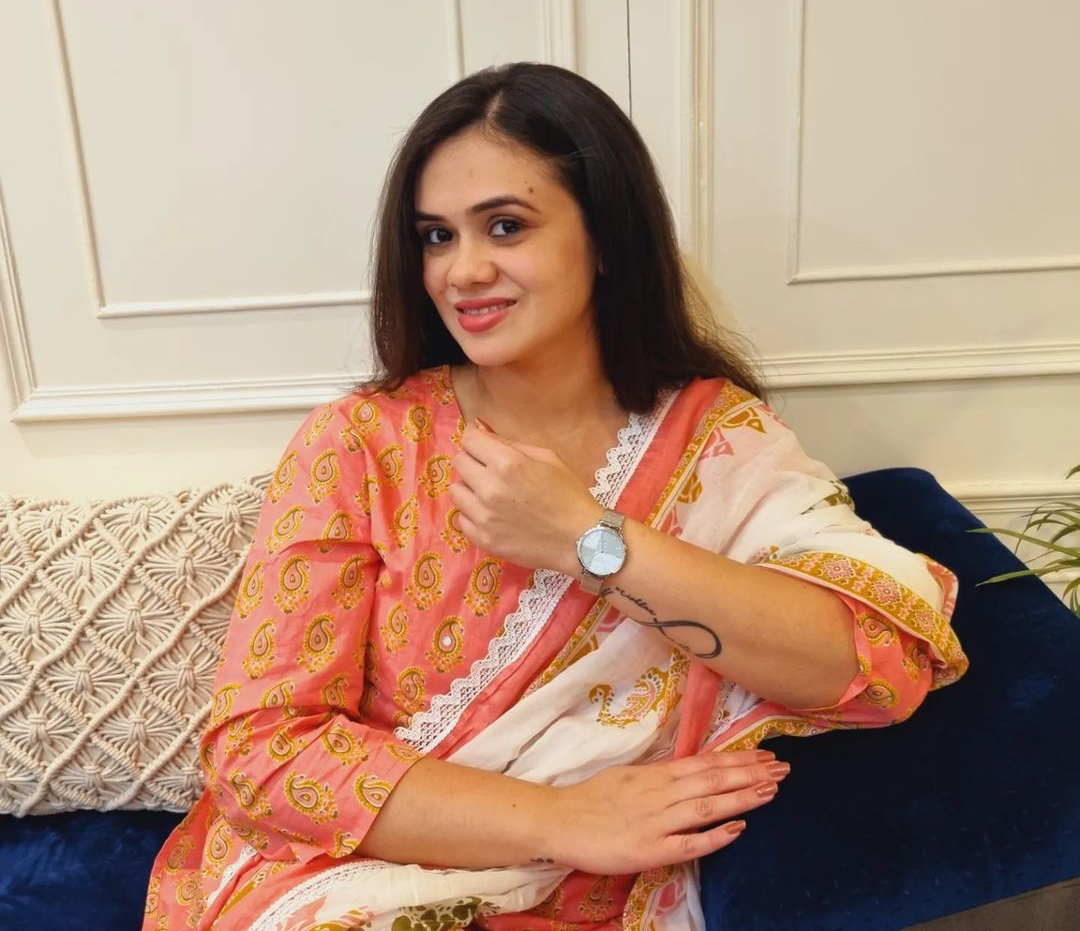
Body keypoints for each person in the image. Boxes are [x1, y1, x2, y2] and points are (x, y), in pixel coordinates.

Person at [143, 63, 968, 930]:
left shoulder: (717, 438)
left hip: (593, 899)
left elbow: (871, 666)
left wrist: (587, 539)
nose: (462, 271)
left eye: (505, 226)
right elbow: (261, 752)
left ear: (606, 237)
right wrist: (559, 820)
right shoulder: (361, 445)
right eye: (435, 237)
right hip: (348, 879)